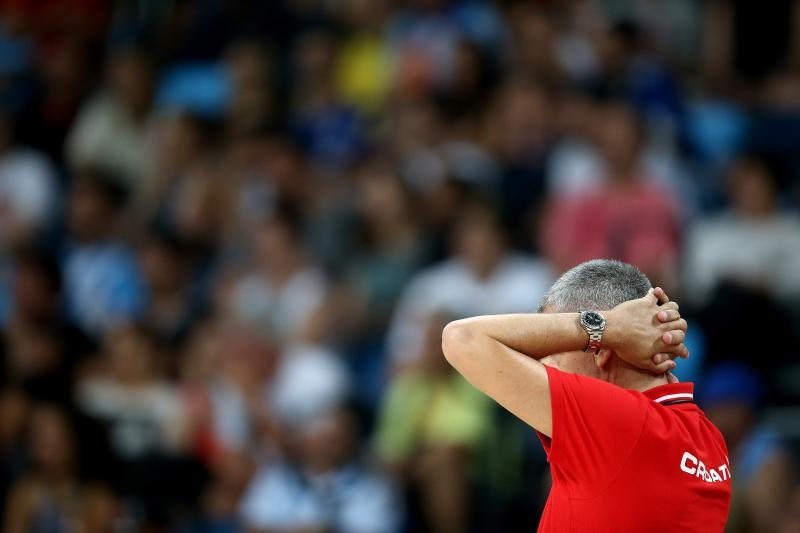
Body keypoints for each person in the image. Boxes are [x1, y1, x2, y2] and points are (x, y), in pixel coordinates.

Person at [441, 259, 731, 531]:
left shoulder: (617, 422)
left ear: (602, 350)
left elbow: (462, 338)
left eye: (548, 352)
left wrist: (609, 326)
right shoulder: (707, 437)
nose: (542, 365)